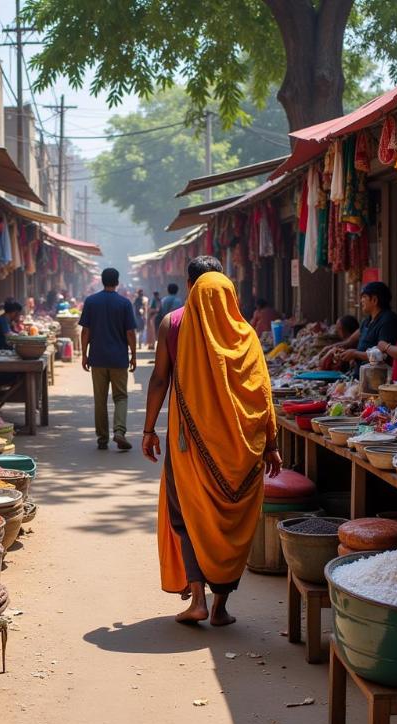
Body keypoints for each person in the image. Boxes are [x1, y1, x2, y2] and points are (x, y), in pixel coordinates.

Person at [142, 256, 281, 627]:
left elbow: (159, 379)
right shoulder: (247, 336)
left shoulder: (172, 324)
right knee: (231, 523)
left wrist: (148, 428)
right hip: (242, 451)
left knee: (187, 514)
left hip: (189, 448)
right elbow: (262, 393)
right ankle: (220, 608)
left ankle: (198, 600)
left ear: (190, 286)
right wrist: (271, 443)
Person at [80, 268, 137, 451]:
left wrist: (84, 354)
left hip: (97, 358)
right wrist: (133, 355)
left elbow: (85, 331)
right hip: (119, 359)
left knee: (100, 400)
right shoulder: (125, 303)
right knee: (120, 397)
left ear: (102, 281)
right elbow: (130, 333)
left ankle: (102, 438)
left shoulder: (91, 301)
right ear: (117, 282)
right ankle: (119, 431)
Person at [338, 282, 397, 377]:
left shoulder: (388, 320)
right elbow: (351, 341)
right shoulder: (367, 321)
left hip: (377, 380)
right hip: (361, 376)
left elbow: (382, 355)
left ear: (375, 300)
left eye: (364, 297)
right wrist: (337, 350)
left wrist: (355, 354)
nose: (361, 301)